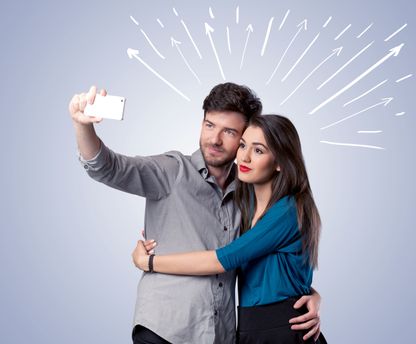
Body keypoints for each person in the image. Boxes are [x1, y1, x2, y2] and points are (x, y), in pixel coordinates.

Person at [69, 83, 322, 344]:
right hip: (165, 330)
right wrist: (83, 126)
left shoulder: (249, 197)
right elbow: (108, 167)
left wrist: (310, 295)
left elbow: (262, 263)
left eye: (230, 132)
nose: (214, 139)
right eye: (209, 125)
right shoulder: (171, 170)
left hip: (220, 335)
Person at [132, 114, 327, 343]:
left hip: (283, 329)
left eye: (258, 150)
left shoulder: (288, 210)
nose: (244, 157)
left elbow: (222, 259)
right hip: (249, 329)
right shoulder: (246, 206)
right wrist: (314, 294)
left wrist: (150, 262)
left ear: (280, 163)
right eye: (243, 145)